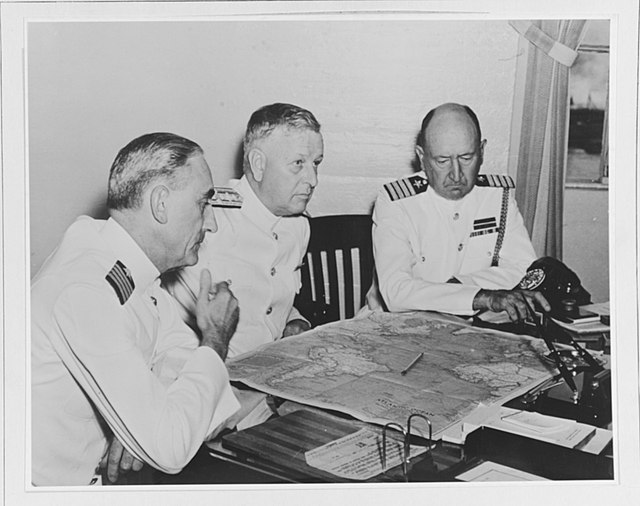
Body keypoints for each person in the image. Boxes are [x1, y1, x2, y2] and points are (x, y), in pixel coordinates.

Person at [31, 133, 243, 486]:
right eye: (202, 204)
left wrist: (137, 424)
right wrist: (216, 340)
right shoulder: (86, 291)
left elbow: (178, 354)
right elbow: (173, 448)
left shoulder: (124, 260)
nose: (212, 223)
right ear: (160, 203)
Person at [163, 103, 323, 427]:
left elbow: (269, 298)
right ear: (258, 164)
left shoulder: (298, 227)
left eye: (316, 164)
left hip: (274, 393)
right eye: (298, 164)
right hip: (214, 410)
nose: (313, 179)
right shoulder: (209, 223)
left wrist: (297, 321)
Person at [367, 102, 550, 322]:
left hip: (478, 324)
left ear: (481, 152)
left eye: (466, 158)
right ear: (421, 158)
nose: (456, 174)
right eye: (442, 161)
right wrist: (479, 296)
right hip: (399, 325)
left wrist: (462, 286)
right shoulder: (396, 201)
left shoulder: (497, 197)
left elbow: (523, 270)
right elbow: (396, 292)